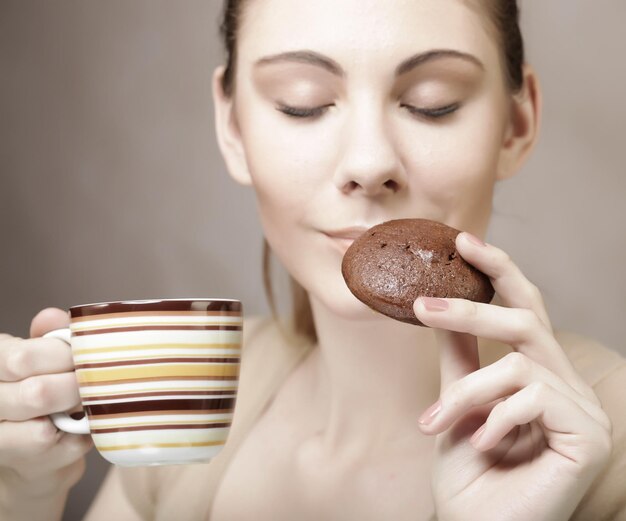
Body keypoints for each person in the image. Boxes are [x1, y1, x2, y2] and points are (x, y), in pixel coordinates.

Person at [1, 1, 625, 519]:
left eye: (434, 102)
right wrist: (25, 495)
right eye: (302, 102)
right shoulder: (189, 412)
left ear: (516, 124)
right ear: (233, 128)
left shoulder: (607, 439)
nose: (367, 162)